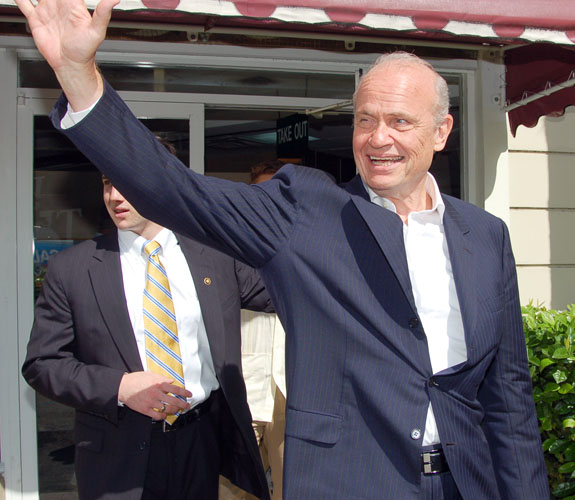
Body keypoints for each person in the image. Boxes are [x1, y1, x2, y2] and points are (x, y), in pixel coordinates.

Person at [16, 0, 549, 496]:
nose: (378, 138)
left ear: (441, 132)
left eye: (400, 122)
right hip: (353, 483)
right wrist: (78, 77)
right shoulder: (305, 211)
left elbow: (509, 399)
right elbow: (176, 190)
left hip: (469, 480)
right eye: (365, 119)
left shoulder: (485, 235)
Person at [22, 154, 273, 500]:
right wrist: (120, 387)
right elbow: (42, 364)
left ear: (162, 182)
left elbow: (287, 296)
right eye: (109, 184)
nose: (114, 196)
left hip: (199, 445)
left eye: (126, 182)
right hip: (116, 455)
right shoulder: (73, 269)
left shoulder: (215, 256)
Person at [220, 160, 287, 500]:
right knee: (232, 490)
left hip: (291, 393)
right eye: (263, 194)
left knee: (293, 490)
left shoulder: (308, 250)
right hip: (241, 388)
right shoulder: (226, 247)